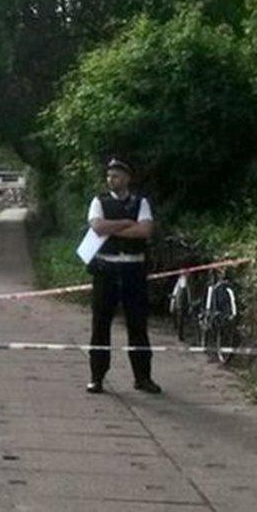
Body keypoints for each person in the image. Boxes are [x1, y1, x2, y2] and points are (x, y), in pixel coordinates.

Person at [85, 157, 162, 394]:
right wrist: (126, 223)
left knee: (137, 325)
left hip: (133, 270)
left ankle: (142, 377)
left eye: (116, 175)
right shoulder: (99, 201)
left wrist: (113, 228)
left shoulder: (142, 202)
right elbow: (97, 227)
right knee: (100, 325)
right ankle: (97, 377)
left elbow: (145, 230)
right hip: (106, 270)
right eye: (109, 175)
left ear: (127, 178)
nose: (111, 179)